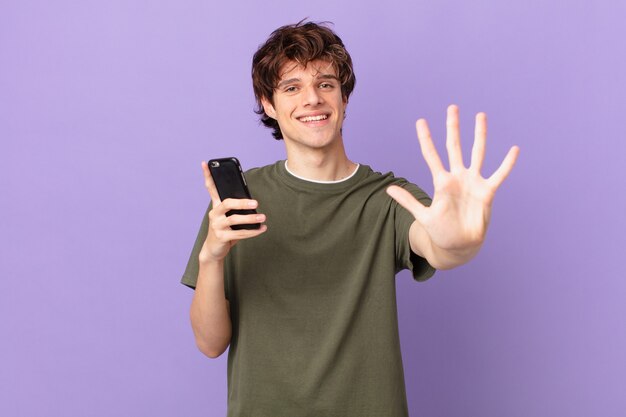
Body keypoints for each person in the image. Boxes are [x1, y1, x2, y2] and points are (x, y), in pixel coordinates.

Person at [181, 20, 519, 417]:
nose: (312, 99)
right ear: (269, 104)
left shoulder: (389, 197)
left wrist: (458, 242)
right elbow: (210, 344)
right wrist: (212, 258)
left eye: (325, 84)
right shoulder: (237, 203)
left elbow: (437, 244)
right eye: (292, 87)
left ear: (343, 97)